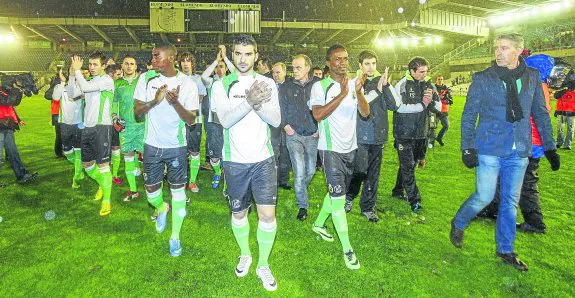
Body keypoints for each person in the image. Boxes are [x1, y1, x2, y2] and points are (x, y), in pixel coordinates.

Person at [450, 33, 560, 271]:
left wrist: (550, 147)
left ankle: (505, 250)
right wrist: (467, 147)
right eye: (496, 48)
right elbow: (469, 115)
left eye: (504, 48)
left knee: (510, 201)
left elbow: (540, 113)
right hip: (489, 147)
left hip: (519, 150)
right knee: (485, 196)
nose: (498, 52)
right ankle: (458, 222)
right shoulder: (483, 78)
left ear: (519, 51)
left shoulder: (531, 77)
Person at [211, 35, 280, 291]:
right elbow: (226, 121)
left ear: (256, 55)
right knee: (238, 213)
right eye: (238, 53)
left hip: (263, 160)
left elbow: (275, 120)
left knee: (267, 215)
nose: (242, 59)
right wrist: (249, 101)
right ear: (232, 54)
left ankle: (263, 263)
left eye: (248, 54)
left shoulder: (266, 82)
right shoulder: (221, 85)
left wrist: (258, 104)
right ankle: (245, 253)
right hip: (235, 161)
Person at [134, 42, 199, 257]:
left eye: (156, 56)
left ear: (171, 58)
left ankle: (175, 237)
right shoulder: (146, 79)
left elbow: (191, 120)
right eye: (152, 56)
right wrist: (154, 101)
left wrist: (176, 103)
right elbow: (137, 113)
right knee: (152, 195)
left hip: (176, 148)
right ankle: (161, 208)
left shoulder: (187, 83)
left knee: (178, 193)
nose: (152, 60)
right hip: (152, 146)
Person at [310, 44, 370, 270]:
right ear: (328, 62)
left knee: (337, 193)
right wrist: (343, 94)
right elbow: (317, 114)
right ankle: (347, 249)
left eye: (345, 59)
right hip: (330, 149)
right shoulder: (320, 86)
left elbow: (365, 113)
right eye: (337, 59)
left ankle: (318, 224)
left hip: (350, 148)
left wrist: (358, 91)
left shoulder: (354, 84)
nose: (343, 62)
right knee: (339, 199)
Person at [344, 50, 399, 222]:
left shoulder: (380, 82)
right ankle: (349, 196)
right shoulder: (355, 83)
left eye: (373, 63)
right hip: (360, 135)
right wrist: (378, 89)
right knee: (359, 170)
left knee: (373, 174)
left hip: (378, 136)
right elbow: (360, 103)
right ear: (360, 65)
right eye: (367, 63)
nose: (371, 67)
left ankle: (368, 208)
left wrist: (387, 85)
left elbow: (395, 105)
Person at [391, 57, 442, 212]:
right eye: (421, 72)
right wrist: (422, 105)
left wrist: (431, 100)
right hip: (404, 133)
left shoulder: (430, 85)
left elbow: (439, 106)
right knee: (407, 166)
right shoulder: (401, 85)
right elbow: (397, 107)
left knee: (411, 165)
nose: (424, 74)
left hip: (421, 132)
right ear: (411, 71)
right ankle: (415, 200)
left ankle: (397, 190)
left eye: (426, 71)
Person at [68, 52, 115, 216]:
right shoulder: (87, 80)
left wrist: (78, 71)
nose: (92, 67)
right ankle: (103, 184)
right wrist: (72, 75)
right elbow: (72, 94)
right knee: (88, 166)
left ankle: (107, 201)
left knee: (103, 166)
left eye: (95, 64)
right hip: (87, 129)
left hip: (102, 127)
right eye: (90, 64)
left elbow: (86, 88)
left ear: (104, 66)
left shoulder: (107, 80)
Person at [279, 54, 320, 220]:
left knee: (310, 170)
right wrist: (285, 126)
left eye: (298, 67)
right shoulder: (286, 87)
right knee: (299, 172)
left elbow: (325, 107)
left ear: (308, 68)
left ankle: (300, 188)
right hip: (293, 135)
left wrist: (320, 128)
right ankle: (302, 206)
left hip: (313, 135)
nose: (294, 71)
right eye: (293, 68)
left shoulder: (318, 85)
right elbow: (279, 109)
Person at [201, 45, 235, 195]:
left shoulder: (231, 81)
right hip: (213, 122)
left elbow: (236, 71)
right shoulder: (211, 82)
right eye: (217, 68)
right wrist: (216, 61)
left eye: (222, 67)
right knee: (214, 155)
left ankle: (228, 180)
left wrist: (225, 58)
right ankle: (217, 172)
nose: (219, 70)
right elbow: (203, 76)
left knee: (228, 152)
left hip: (228, 122)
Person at [113, 55, 144, 201]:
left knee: (150, 159)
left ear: (136, 66)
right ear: (122, 66)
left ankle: (152, 187)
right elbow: (114, 103)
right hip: (126, 127)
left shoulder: (142, 81)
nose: (129, 66)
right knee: (128, 158)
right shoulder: (117, 83)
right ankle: (133, 190)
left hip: (143, 126)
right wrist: (114, 118)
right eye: (127, 64)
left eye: (132, 63)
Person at [179, 52, 207, 193]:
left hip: (196, 120)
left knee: (194, 151)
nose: (185, 63)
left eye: (188, 61)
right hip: (179, 120)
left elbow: (201, 98)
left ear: (192, 63)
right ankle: (183, 179)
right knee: (181, 151)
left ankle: (192, 182)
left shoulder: (198, 79)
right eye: (183, 61)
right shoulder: (176, 79)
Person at [0, 80, 38, 185]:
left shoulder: (5, 92)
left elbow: (11, 105)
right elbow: (7, 101)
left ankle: (21, 175)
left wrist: (18, 119)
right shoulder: (4, 94)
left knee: (13, 153)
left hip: (8, 125)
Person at [54, 67, 84, 189]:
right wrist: (62, 82)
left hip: (79, 124)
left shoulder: (83, 88)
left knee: (78, 153)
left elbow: (74, 97)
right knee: (68, 153)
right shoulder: (61, 87)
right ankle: (80, 167)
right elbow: (56, 97)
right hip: (65, 125)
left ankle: (76, 178)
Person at [271, 62, 292, 190]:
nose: (276, 75)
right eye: (274, 72)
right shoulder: (269, 86)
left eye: (278, 72)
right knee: (273, 154)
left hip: (286, 126)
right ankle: (273, 179)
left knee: (285, 154)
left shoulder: (290, 87)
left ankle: (283, 181)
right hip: (273, 126)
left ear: (284, 72)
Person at [106, 64, 124, 185]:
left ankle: (114, 175)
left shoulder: (120, 88)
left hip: (116, 123)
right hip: (104, 124)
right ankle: (105, 175)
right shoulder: (104, 89)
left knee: (116, 149)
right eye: (118, 74)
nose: (120, 76)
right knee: (105, 152)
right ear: (111, 75)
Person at [434, 76, 453, 146]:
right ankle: (431, 142)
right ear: (436, 80)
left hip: (444, 111)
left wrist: (447, 99)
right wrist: (438, 97)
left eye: (441, 79)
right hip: (434, 111)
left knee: (446, 125)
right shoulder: (432, 88)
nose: (440, 81)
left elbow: (451, 101)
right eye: (438, 79)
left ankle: (439, 138)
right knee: (432, 127)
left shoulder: (446, 89)